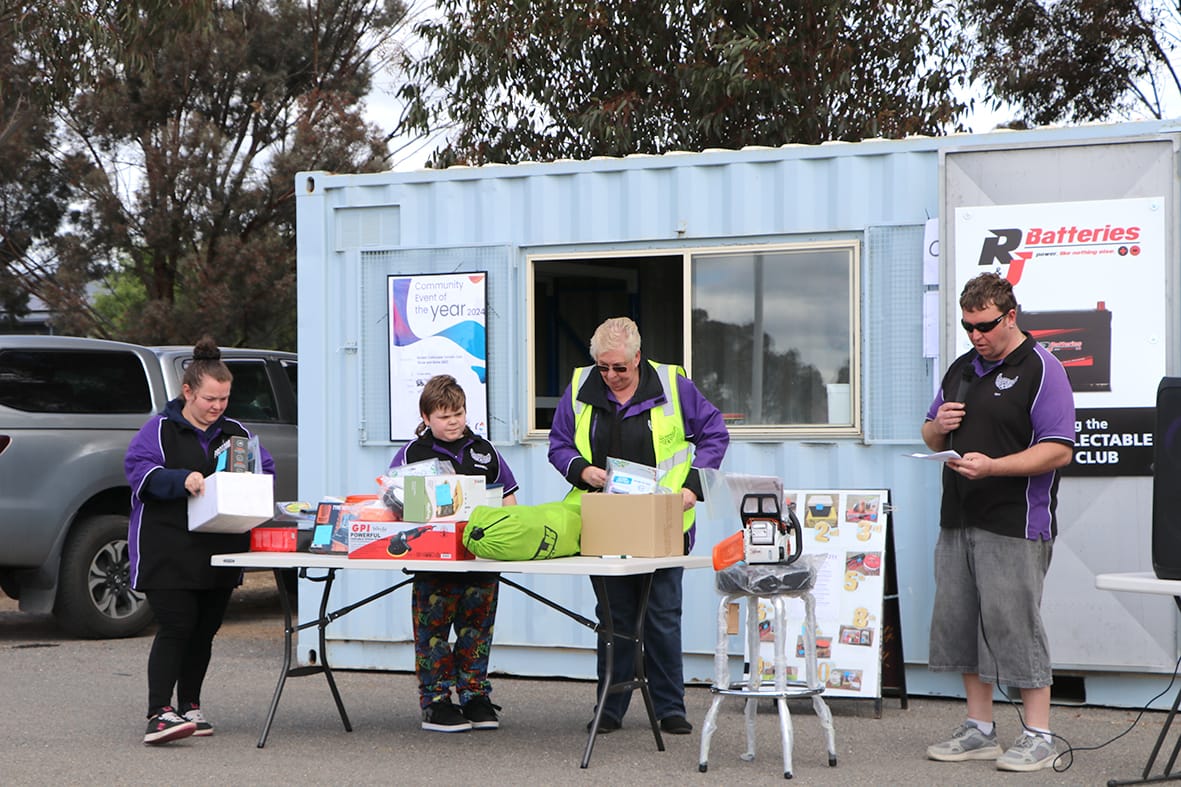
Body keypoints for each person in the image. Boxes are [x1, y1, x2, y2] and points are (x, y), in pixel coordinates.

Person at [921, 273, 1075, 772]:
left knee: (1014, 625)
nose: (976, 336)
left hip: (1015, 520)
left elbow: (1058, 449)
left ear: (1011, 316)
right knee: (961, 623)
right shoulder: (961, 367)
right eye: (968, 326)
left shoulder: (1042, 368)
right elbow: (930, 436)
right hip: (958, 516)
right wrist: (937, 427)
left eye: (985, 326)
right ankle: (979, 728)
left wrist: (993, 467)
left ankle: (1039, 734)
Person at [547, 316, 729, 735]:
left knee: (661, 617)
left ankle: (670, 708)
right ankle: (610, 708)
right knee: (615, 620)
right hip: (604, 522)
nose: (611, 376)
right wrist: (581, 470)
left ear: (638, 358)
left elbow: (714, 434)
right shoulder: (580, 387)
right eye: (603, 367)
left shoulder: (673, 385)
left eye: (620, 368)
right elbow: (558, 444)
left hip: (662, 522)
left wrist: (692, 488)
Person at [125, 336, 275, 745]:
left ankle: (189, 704)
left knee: (204, 630)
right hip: (167, 547)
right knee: (176, 625)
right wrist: (181, 479)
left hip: (219, 548)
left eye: (224, 399)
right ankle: (159, 712)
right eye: (210, 398)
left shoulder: (237, 433)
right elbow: (137, 471)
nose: (217, 406)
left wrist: (251, 484)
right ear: (188, 392)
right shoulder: (159, 429)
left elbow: (265, 471)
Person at [388, 374, 519, 733]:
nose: (453, 422)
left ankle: (475, 695)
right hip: (433, 564)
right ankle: (436, 702)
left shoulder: (484, 451)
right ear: (426, 417)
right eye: (444, 416)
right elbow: (392, 504)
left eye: (458, 414)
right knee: (432, 634)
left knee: (477, 631)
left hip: (480, 562)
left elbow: (509, 500)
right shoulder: (412, 454)